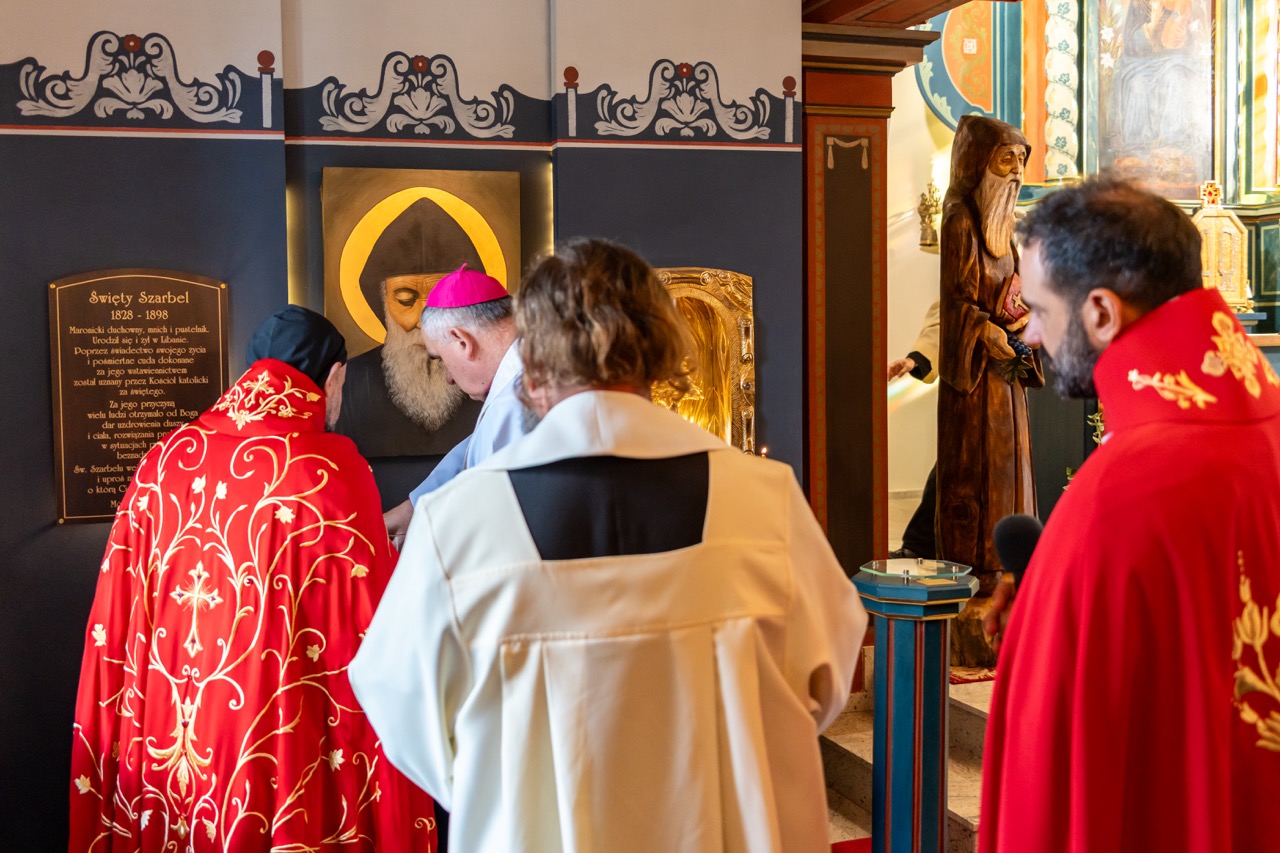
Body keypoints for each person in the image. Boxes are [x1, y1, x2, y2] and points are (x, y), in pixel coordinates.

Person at [350, 238, 866, 853]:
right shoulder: (765, 501)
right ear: (662, 345)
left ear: (532, 360)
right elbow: (825, 677)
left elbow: (400, 700)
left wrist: (501, 787)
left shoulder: (457, 524)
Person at [979, 175, 1280, 852]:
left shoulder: (1118, 496)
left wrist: (1048, 620)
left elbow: (1058, 769)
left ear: (1101, 313)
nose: (1030, 334)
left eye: (1038, 310)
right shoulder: (1265, 421)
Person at [69, 306, 438, 851]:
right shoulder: (328, 471)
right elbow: (370, 629)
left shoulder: (164, 461)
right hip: (274, 727)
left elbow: (119, 621)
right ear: (334, 378)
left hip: (170, 725)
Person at [937, 115, 1044, 599]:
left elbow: (1015, 288)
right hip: (977, 380)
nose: (1017, 171)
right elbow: (956, 302)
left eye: (1021, 160)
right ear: (979, 162)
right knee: (978, 472)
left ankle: (1011, 568)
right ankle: (977, 567)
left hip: (1007, 376)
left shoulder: (1006, 225)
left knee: (1011, 467)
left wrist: (1024, 319)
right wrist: (983, 330)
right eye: (1006, 160)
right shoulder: (961, 219)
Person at [382, 265, 527, 542]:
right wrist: (414, 506)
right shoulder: (528, 377)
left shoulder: (518, 400)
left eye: (440, 359)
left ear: (462, 341)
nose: (449, 378)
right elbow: (476, 447)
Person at [335, 272, 481, 459]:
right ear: (384, 305)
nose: (424, 323)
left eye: (441, 301)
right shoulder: (349, 381)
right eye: (405, 301)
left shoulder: (489, 378)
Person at [888, 300, 939, 560]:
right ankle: (920, 546)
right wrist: (915, 360)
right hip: (970, 392)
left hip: (1009, 391)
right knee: (950, 467)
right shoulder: (966, 282)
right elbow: (942, 323)